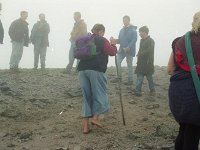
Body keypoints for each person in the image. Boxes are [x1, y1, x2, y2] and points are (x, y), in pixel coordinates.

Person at [168, 11, 200, 150]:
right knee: (193, 132)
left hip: (178, 92)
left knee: (184, 128)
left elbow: (170, 69)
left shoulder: (180, 40)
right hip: (195, 93)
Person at [77, 24, 117, 134]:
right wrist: (113, 44)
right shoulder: (101, 39)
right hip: (95, 70)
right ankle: (95, 117)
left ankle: (85, 127)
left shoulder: (85, 40)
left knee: (86, 97)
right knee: (100, 94)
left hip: (82, 70)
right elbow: (112, 52)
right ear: (101, 31)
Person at [111, 15, 137, 85]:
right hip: (121, 50)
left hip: (129, 50)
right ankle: (119, 77)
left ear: (129, 20)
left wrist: (128, 47)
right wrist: (114, 40)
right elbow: (120, 40)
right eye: (123, 20)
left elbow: (134, 40)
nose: (124, 21)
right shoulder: (121, 30)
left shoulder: (133, 30)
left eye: (125, 20)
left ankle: (130, 80)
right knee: (117, 61)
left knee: (129, 65)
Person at [133, 26, 155, 96]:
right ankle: (137, 91)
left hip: (148, 63)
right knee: (140, 77)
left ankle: (152, 90)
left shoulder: (151, 41)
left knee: (149, 78)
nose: (139, 34)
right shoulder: (141, 40)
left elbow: (150, 50)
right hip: (141, 63)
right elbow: (140, 49)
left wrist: (140, 54)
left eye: (140, 32)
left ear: (144, 32)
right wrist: (138, 54)